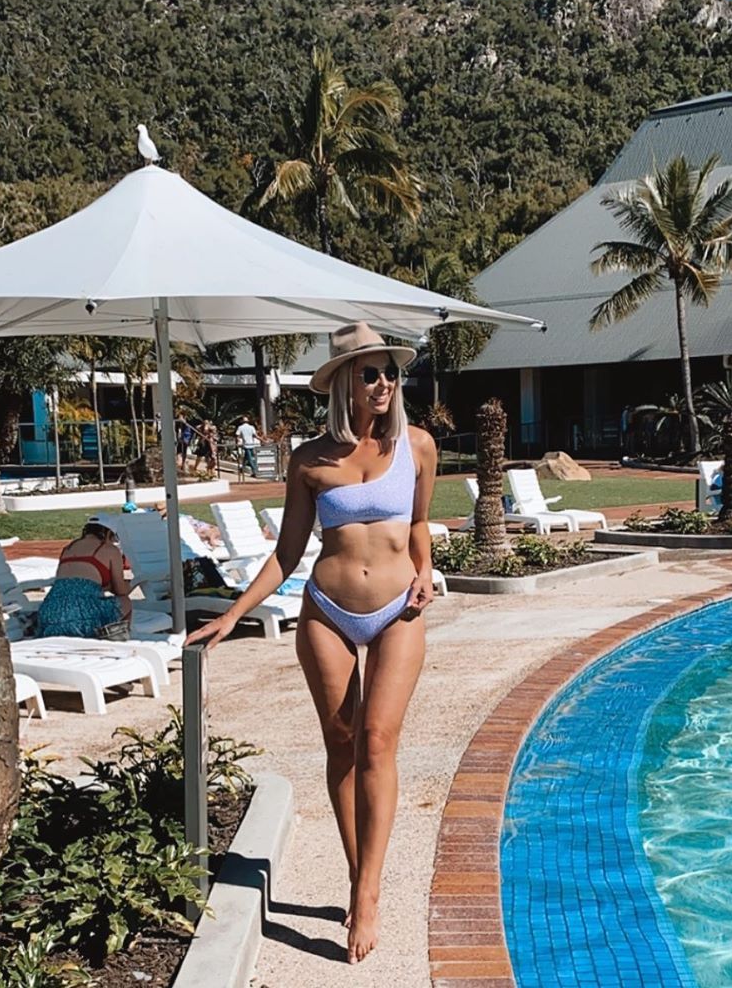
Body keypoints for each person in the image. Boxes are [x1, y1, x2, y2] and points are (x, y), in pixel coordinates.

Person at [187, 322, 434, 965]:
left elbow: (419, 523)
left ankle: (369, 893)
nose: (383, 383)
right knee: (342, 742)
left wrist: (426, 571)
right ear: (344, 382)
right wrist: (233, 613)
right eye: (369, 373)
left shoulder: (418, 446)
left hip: (398, 612)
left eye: (390, 372)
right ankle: (356, 872)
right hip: (326, 612)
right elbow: (287, 552)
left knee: (377, 739)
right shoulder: (309, 460)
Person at [37, 520, 131, 639]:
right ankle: (118, 638)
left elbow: (76, 584)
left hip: (50, 612)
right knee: (125, 602)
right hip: (82, 614)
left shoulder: (68, 548)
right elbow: (120, 591)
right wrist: (130, 584)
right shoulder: (109, 549)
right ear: (107, 533)